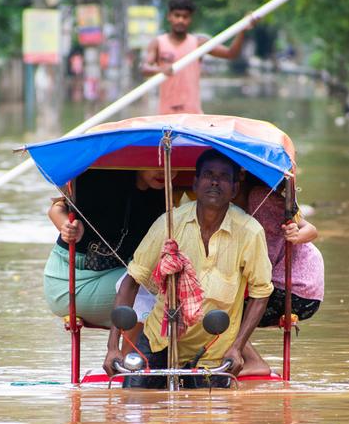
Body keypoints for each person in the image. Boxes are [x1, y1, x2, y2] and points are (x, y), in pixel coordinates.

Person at [103, 149, 273, 388]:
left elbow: (261, 293)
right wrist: (112, 348)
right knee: (133, 403)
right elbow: (132, 281)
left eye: (224, 177)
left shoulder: (250, 232)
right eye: (208, 175)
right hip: (160, 339)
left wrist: (237, 348)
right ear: (195, 182)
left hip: (214, 349)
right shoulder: (170, 223)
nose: (215, 181)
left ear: (235, 189)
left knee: (208, 418)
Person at [44, 169, 170, 328]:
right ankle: (127, 353)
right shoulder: (102, 180)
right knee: (151, 285)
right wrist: (67, 228)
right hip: (71, 281)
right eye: (155, 163)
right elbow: (58, 207)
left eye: (172, 167)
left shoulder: (168, 194)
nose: (163, 172)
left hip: (119, 276)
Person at [142, 0, 252, 115]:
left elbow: (231, 54)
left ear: (190, 19)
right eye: (177, 16)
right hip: (166, 114)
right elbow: (145, 68)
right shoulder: (158, 43)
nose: (181, 20)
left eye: (185, 17)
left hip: (193, 115)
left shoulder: (199, 43)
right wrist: (160, 69)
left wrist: (243, 30)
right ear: (169, 16)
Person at [243, 183, 323, 328]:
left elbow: (311, 230)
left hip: (295, 289)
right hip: (295, 290)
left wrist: (295, 236)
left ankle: (236, 349)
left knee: (229, 314)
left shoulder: (260, 196)